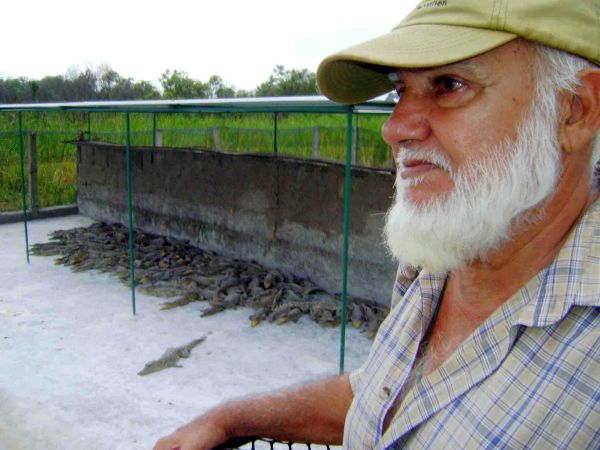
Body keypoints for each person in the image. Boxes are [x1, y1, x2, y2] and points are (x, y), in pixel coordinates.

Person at [155, 0, 600, 448]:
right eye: (399, 91)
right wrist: (232, 419)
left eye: (449, 84)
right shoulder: (434, 264)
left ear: (574, 111)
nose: (394, 127)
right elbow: (387, 401)